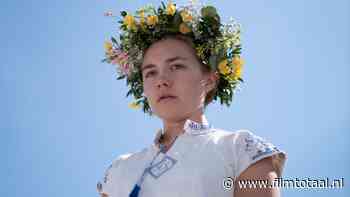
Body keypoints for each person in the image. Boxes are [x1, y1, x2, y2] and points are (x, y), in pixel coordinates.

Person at [98, 1, 287, 197]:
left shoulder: (242, 150)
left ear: (210, 79)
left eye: (176, 66)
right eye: (150, 72)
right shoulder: (120, 170)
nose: (161, 81)